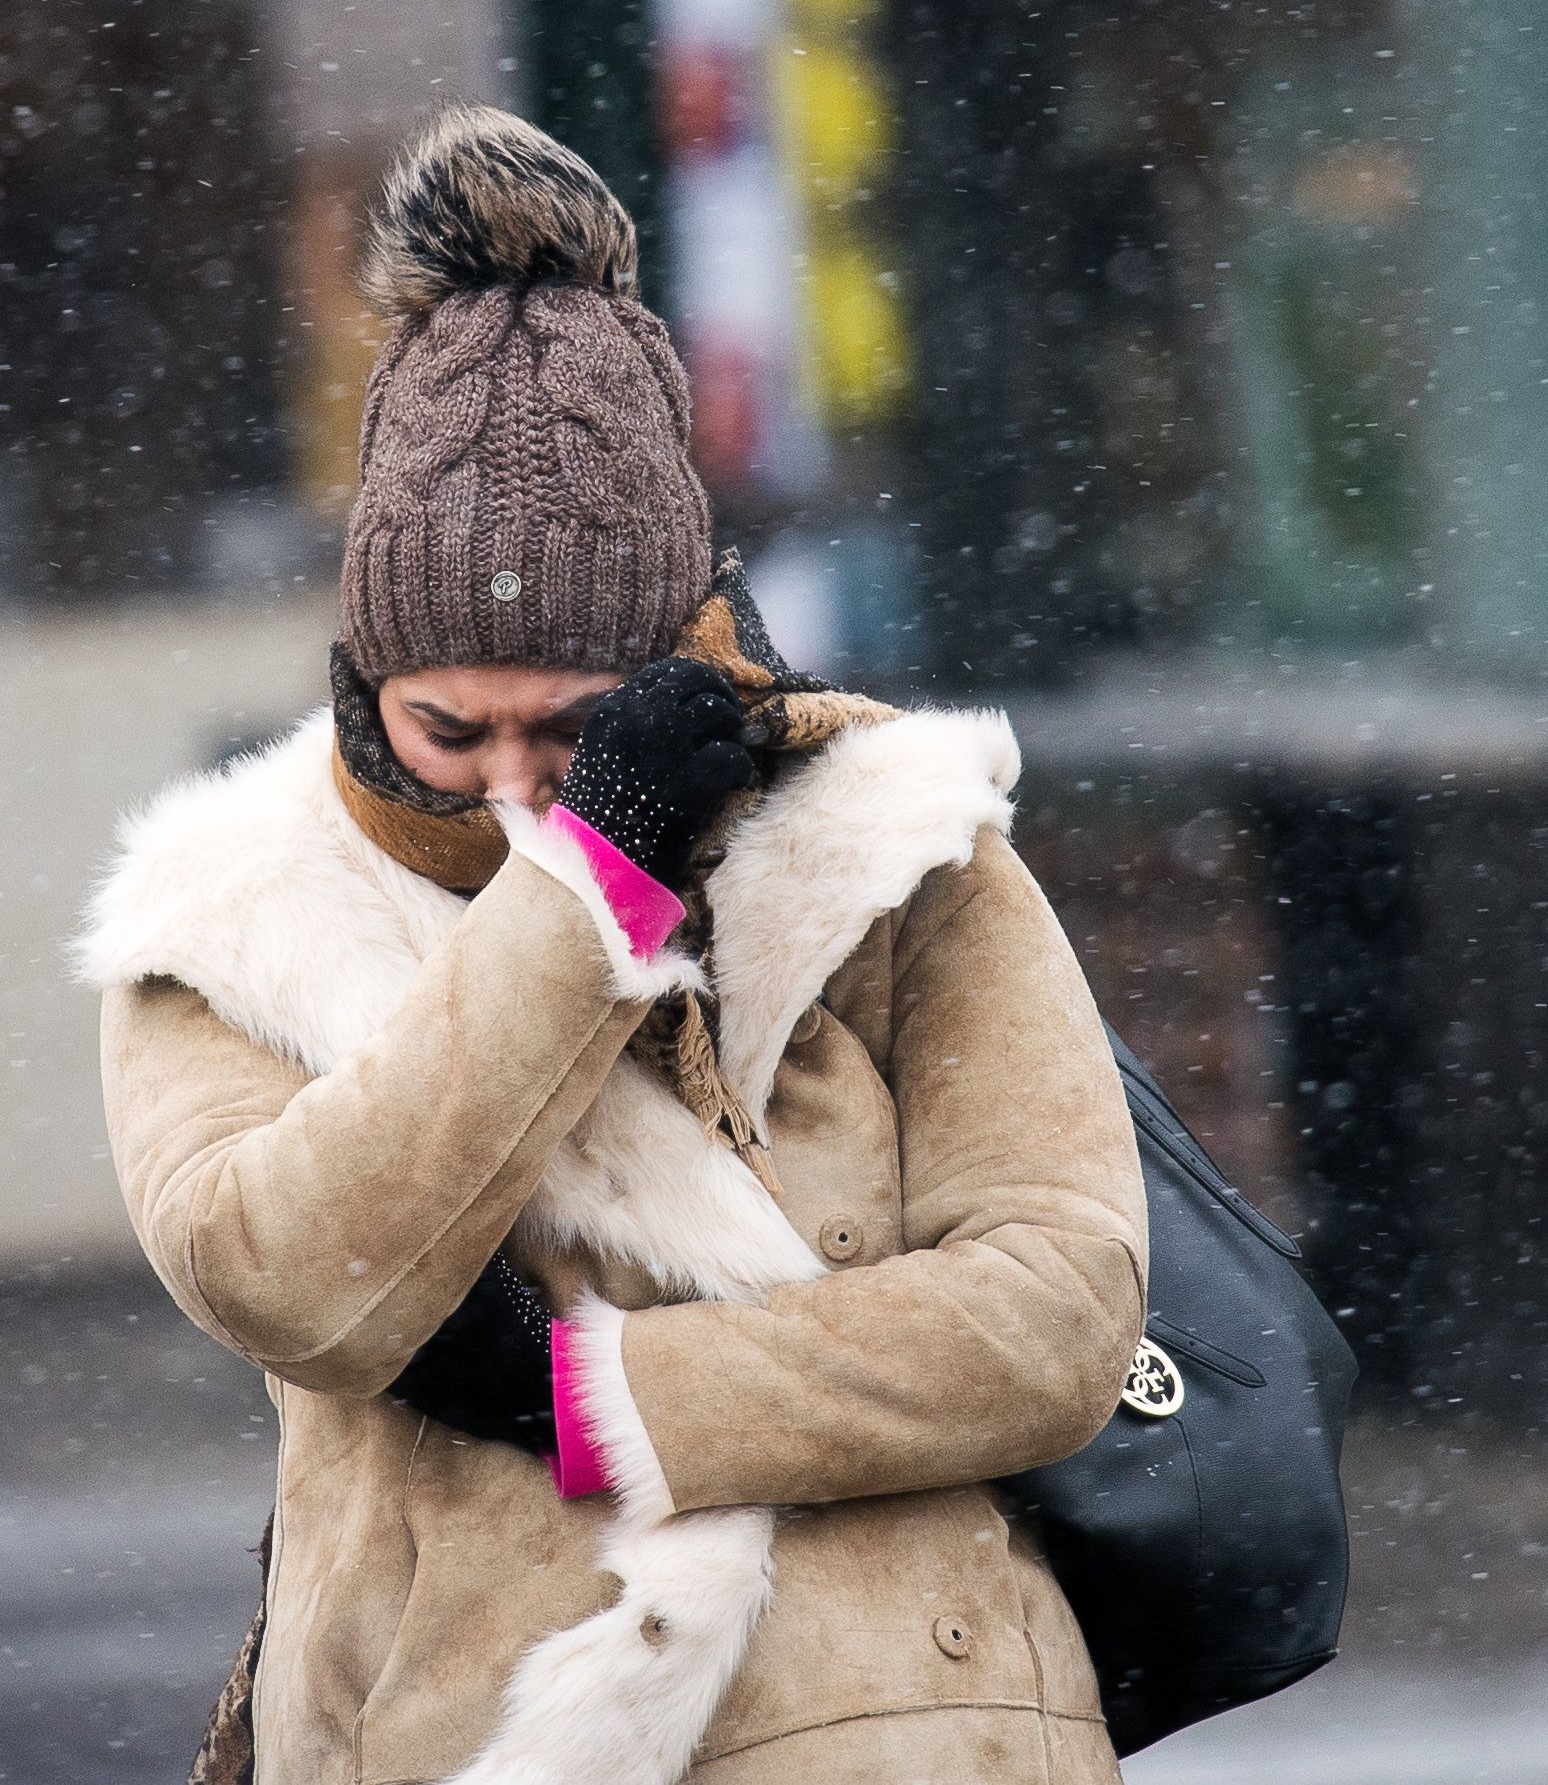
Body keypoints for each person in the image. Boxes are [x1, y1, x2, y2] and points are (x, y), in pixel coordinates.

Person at [78, 104, 1147, 1785]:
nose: (509, 788)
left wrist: (601, 1403)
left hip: (918, 1735)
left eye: (573, 731)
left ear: (673, 669)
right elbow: (285, 1275)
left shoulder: (893, 845)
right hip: (462, 1733)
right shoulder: (228, 918)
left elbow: (1057, 1318)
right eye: (450, 730)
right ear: (365, 677)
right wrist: (593, 887)